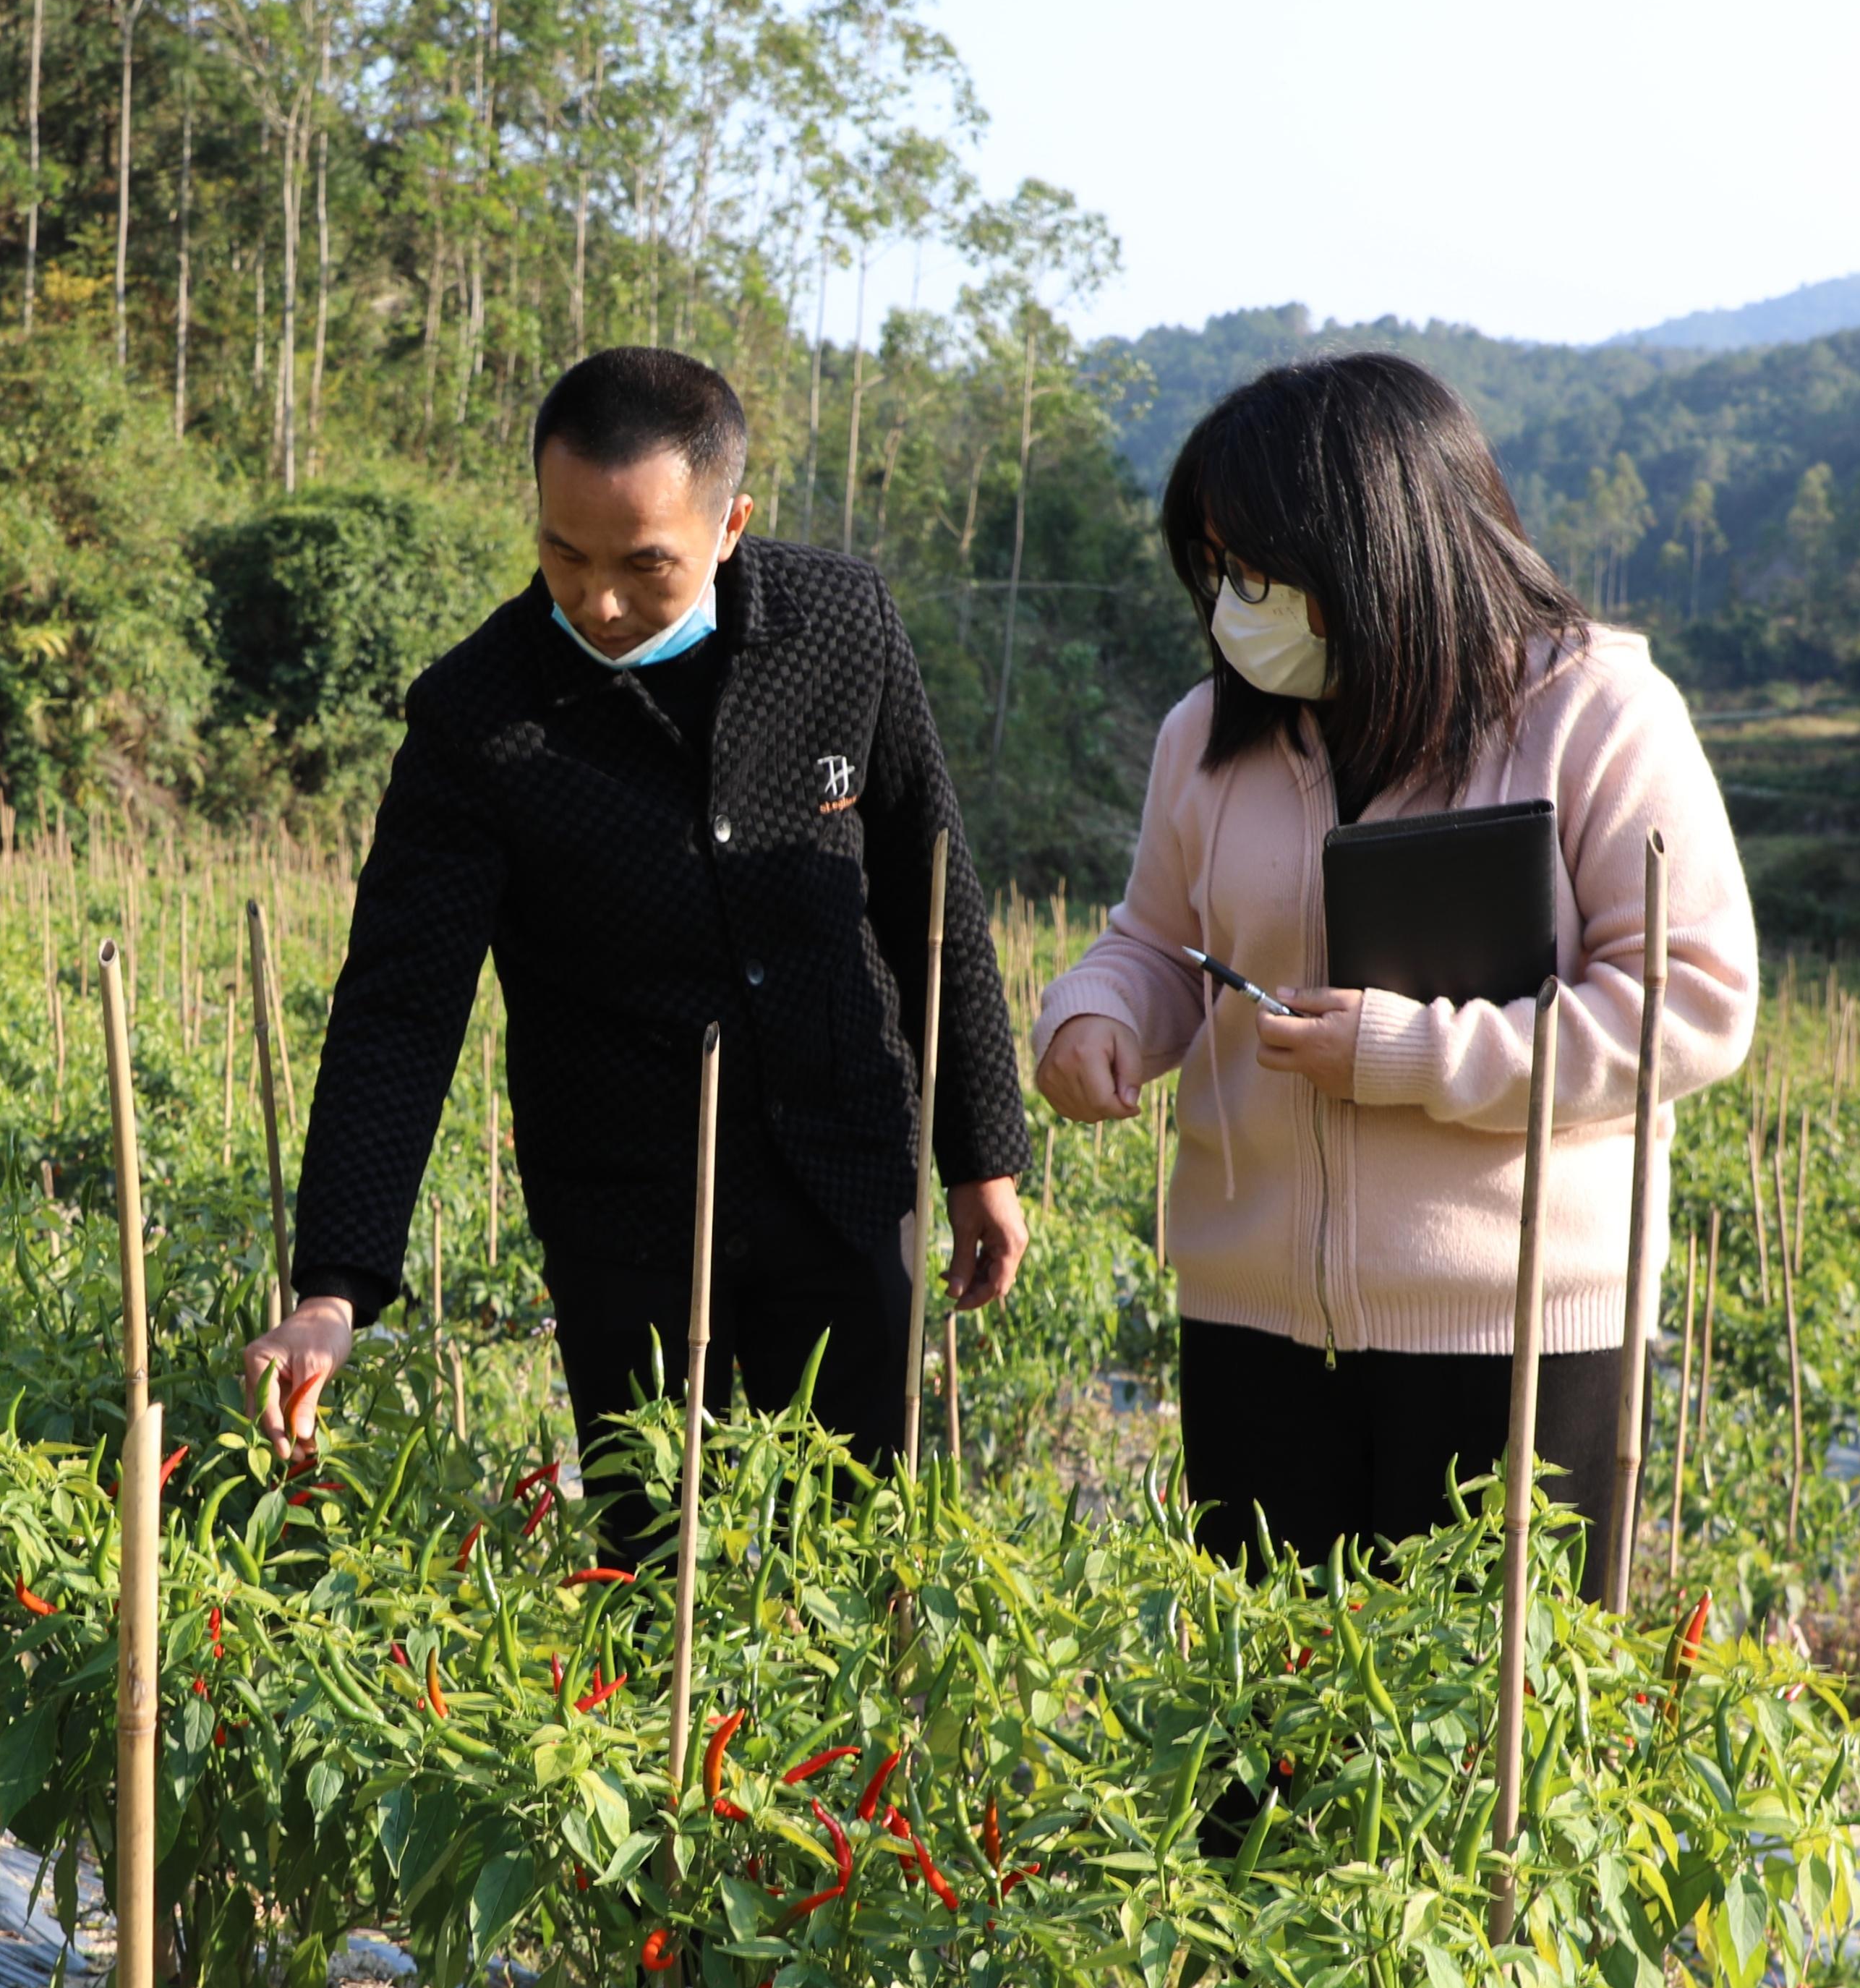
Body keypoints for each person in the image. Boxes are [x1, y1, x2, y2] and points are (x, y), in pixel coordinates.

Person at [242, 346, 1031, 1531]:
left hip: (846, 1182)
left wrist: (983, 1157)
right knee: (660, 1565)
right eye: (565, 554)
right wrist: (336, 1286)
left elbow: (933, 894)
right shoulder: (478, 716)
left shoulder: (838, 629)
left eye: (643, 565)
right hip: (630, 1222)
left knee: (866, 1555)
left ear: (730, 527)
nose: (599, 600)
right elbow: (401, 1004)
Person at [1028, 353, 1757, 1583]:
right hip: (1252, 1323)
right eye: (1218, 573)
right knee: (1262, 1735)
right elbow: (1156, 939)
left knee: (1477, 1744)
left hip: (1516, 1336)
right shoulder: (1210, 734)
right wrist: (1095, 1013)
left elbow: (1688, 1006)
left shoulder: (1596, 717)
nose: (1231, 606)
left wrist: (1412, 1056)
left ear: (1378, 553)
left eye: (1259, 572)